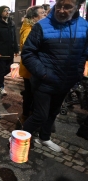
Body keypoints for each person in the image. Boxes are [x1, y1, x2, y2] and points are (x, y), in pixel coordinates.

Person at [21, 0, 88, 152]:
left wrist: (77, 73)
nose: (62, 10)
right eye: (59, 6)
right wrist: (43, 73)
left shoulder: (84, 26)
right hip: (44, 82)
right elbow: (28, 53)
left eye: (68, 7)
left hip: (66, 81)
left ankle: (44, 138)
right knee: (40, 115)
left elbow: (84, 53)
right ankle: (19, 139)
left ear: (77, 7)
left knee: (53, 112)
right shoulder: (42, 26)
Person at [18, 6, 46, 125]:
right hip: (30, 70)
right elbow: (27, 50)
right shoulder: (29, 30)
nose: (45, 15)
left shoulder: (33, 27)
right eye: (42, 13)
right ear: (35, 17)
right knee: (30, 94)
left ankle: (28, 115)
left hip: (32, 69)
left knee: (30, 94)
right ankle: (25, 116)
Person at [0, 5, 19, 96]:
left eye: (8, 10)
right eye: (5, 11)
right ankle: (1, 86)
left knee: (9, 69)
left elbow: (14, 38)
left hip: (10, 52)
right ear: (1, 13)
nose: (7, 12)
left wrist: (16, 49)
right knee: (2, 70)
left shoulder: (12, 23)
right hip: (1, 53)